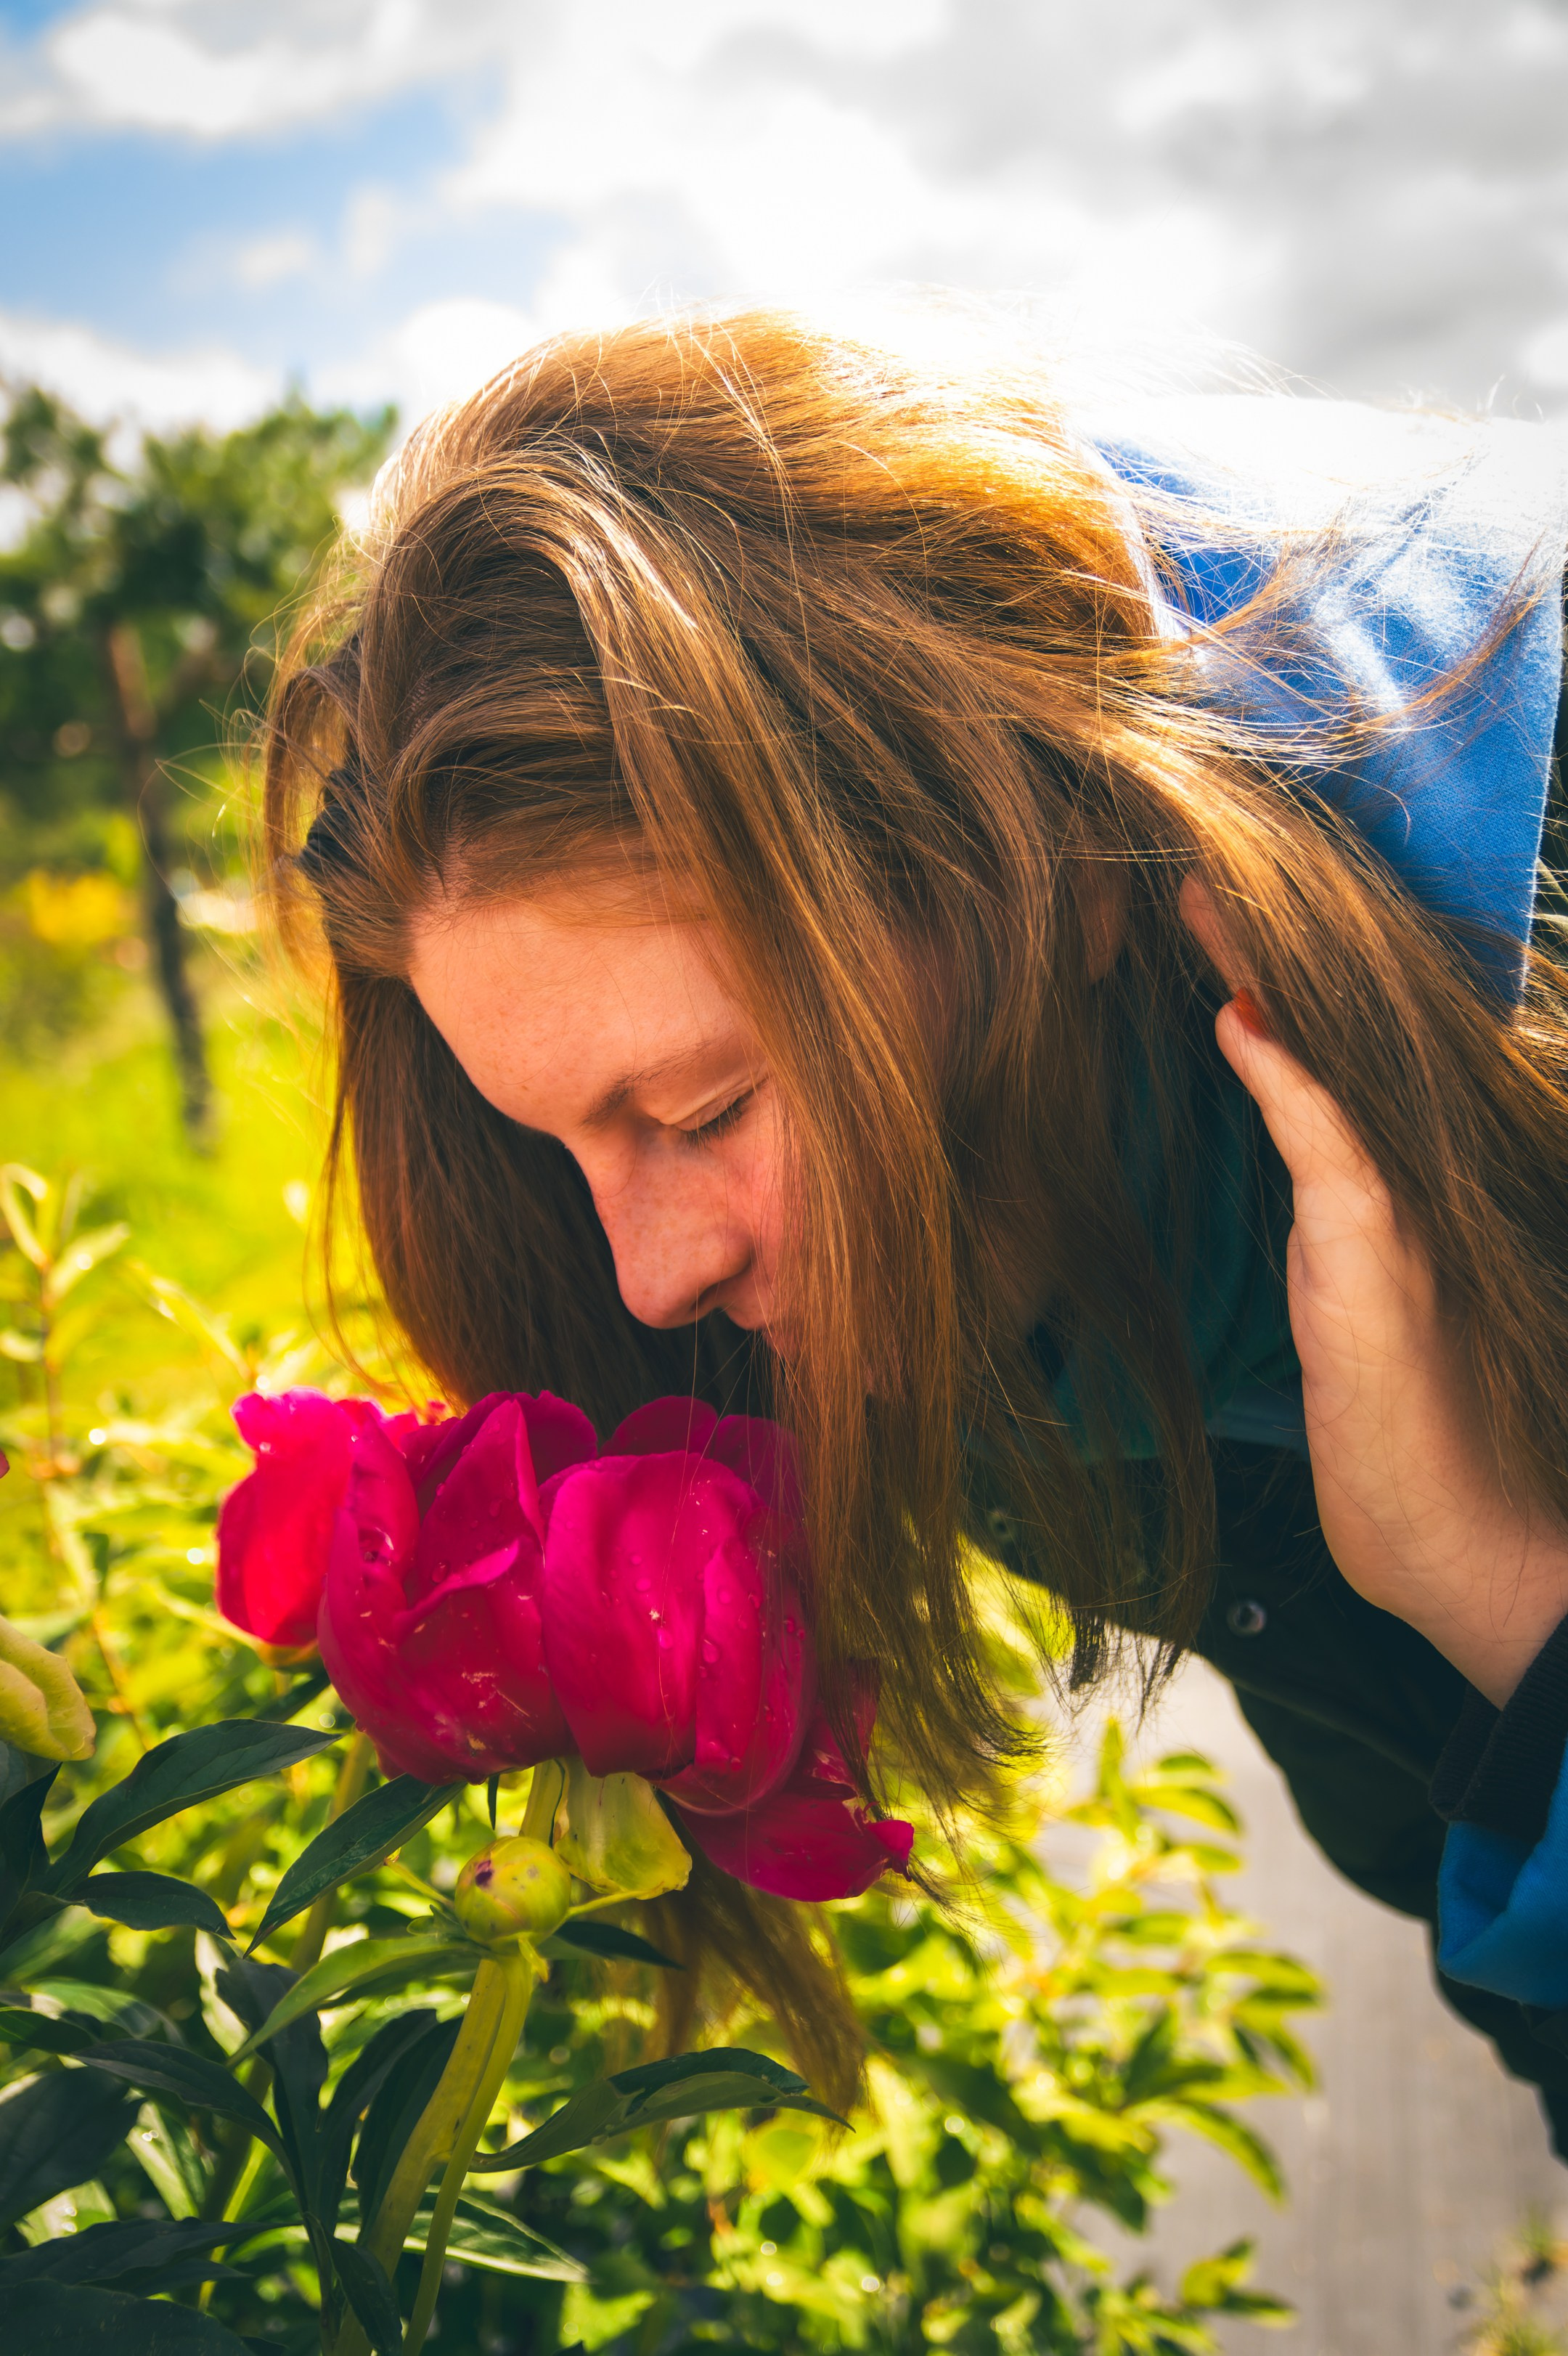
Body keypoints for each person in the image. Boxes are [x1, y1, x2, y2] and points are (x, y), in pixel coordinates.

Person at [266, 309, 1568, 2136]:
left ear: (1064, 863)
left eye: (704, 1112)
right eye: (565, 1151)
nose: (653, 1274)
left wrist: (1499, 1590)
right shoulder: (1057, 1258)